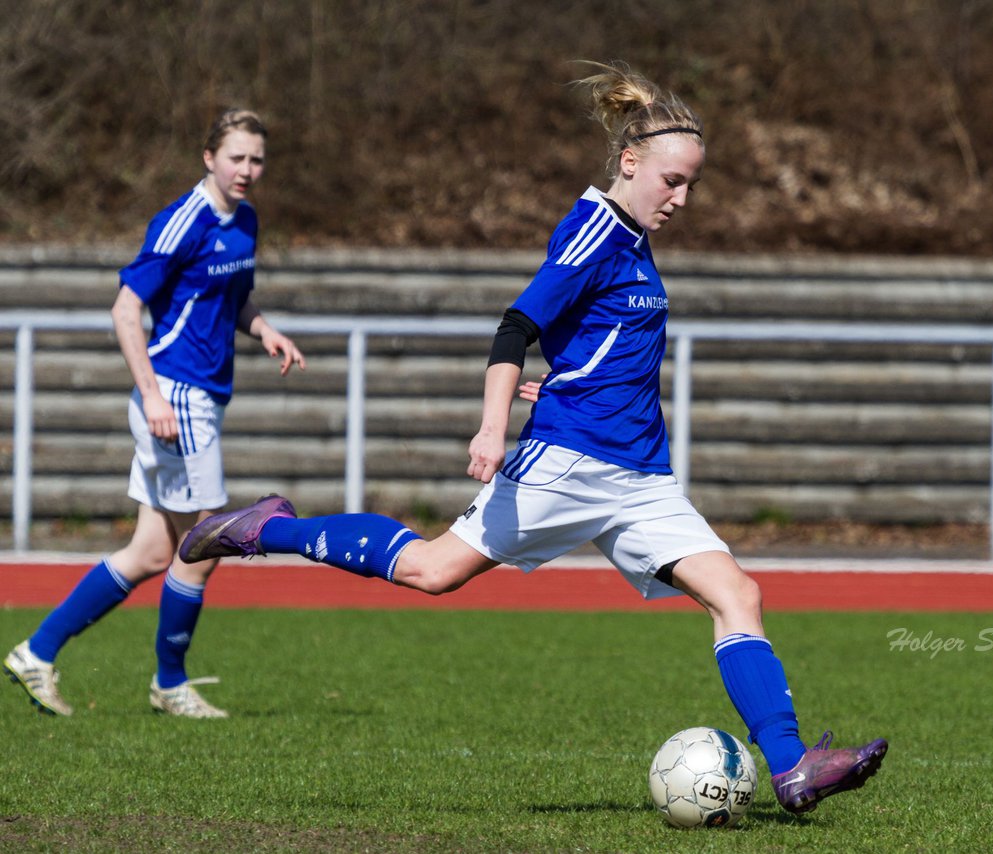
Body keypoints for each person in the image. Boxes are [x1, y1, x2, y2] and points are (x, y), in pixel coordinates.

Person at [180, 63, 886, 812]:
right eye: (672, 181)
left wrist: (570, 380)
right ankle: (268, 529)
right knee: (431, 570)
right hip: (572, 465)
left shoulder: (635, 239)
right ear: (629, 162)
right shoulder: (595, 230)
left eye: (692, 187)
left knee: (737, 593)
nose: (681, 199)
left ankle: (790, 767)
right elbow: (518, 325)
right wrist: (493, 427)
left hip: (641, 479)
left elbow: (601, 340)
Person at [3, 109, 306, 718]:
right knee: (207, 542)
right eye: (236, 158)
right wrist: (152, 394)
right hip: (177, 397)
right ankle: (169, 684)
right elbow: (125, 309)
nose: (247, 170)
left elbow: (231, 298)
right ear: (208, 157)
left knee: (148, 553)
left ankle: (37, 652)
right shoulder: (181, 221)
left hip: (201, 398)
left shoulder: (244, 219)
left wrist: (264, 329)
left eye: (256, 159)